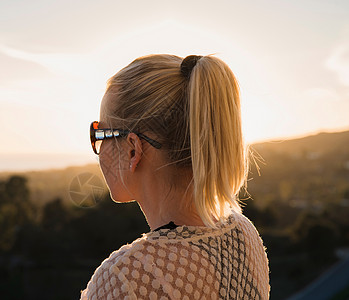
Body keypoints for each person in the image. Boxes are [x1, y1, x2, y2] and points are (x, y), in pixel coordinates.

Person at [82, 54, 270, 300]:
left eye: (102, 133)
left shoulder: (125, 279)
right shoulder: (244, 236)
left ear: (132, 150)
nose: (99, 147)